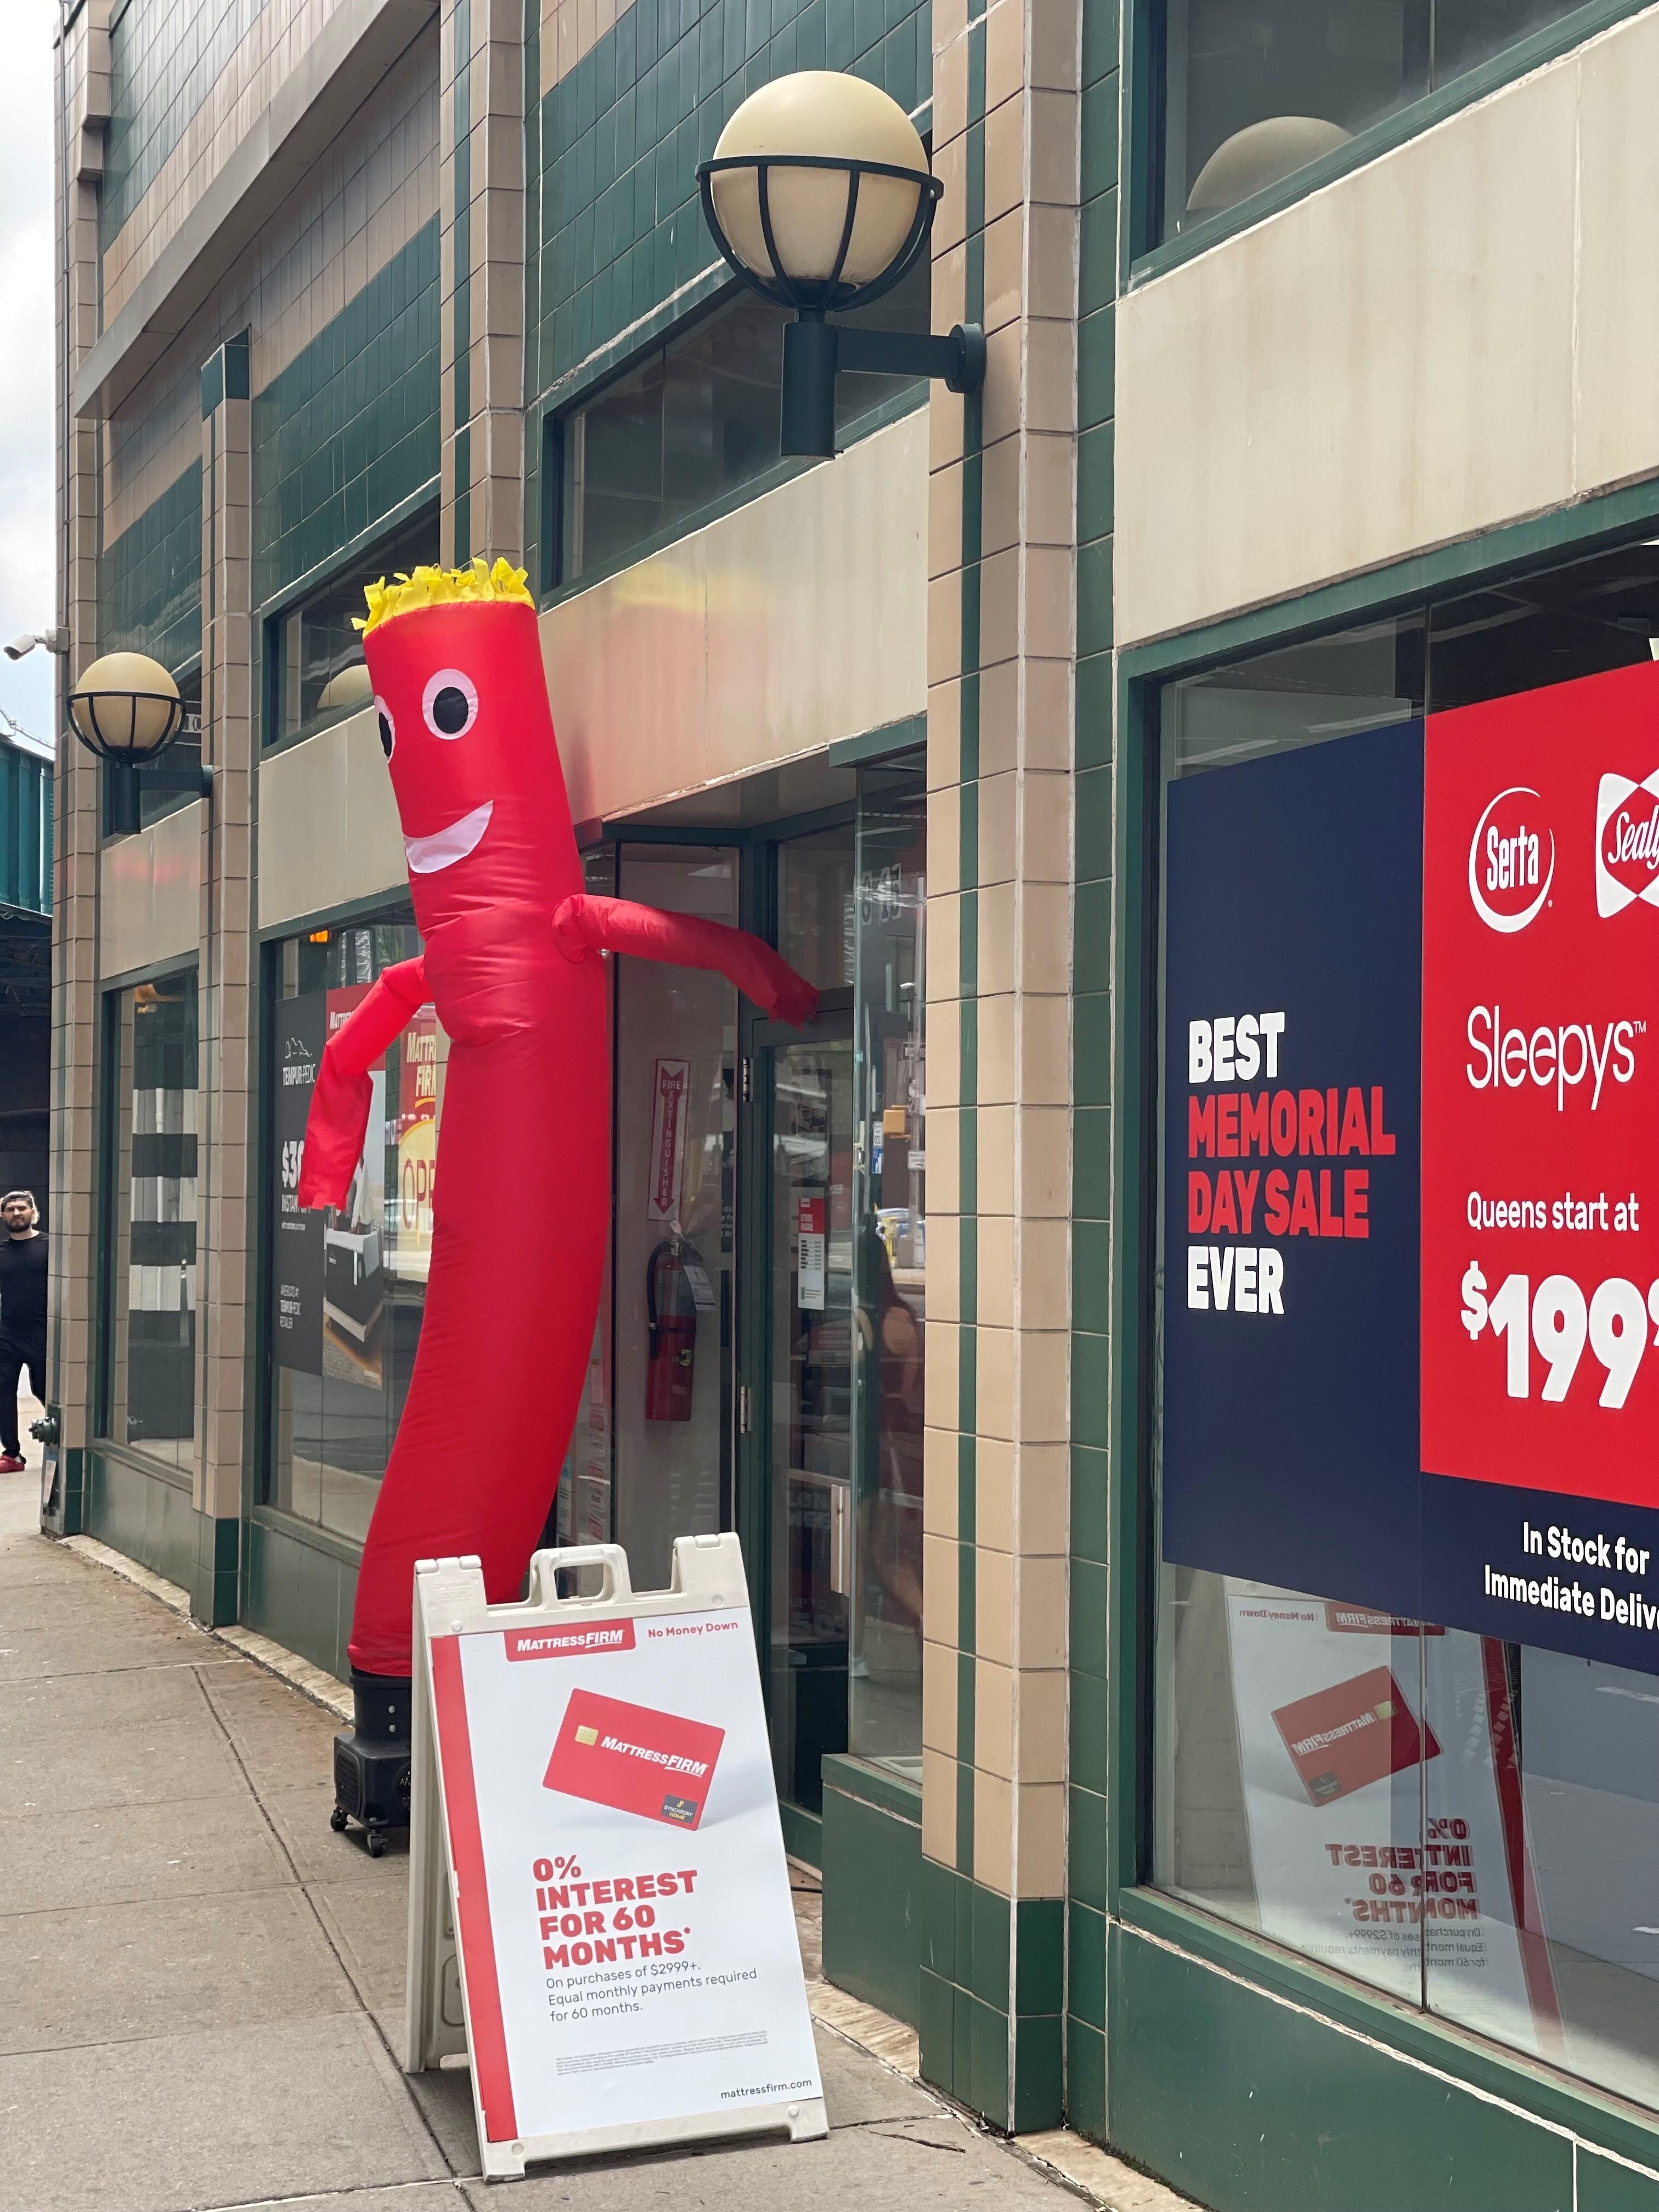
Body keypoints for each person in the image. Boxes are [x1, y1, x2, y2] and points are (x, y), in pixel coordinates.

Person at [0, 1191, 47, 1474]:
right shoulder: (2, 1252)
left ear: (32, 1212)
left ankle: (65, 1442)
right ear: (3, 1215)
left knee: (45, 1390)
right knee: (3, 1392)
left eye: (22, 1208)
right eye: (10, 1209)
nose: (16, 1213)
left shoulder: (49, 1246)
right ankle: (12, 1455)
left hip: (42, 1333)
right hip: (7, 1334)